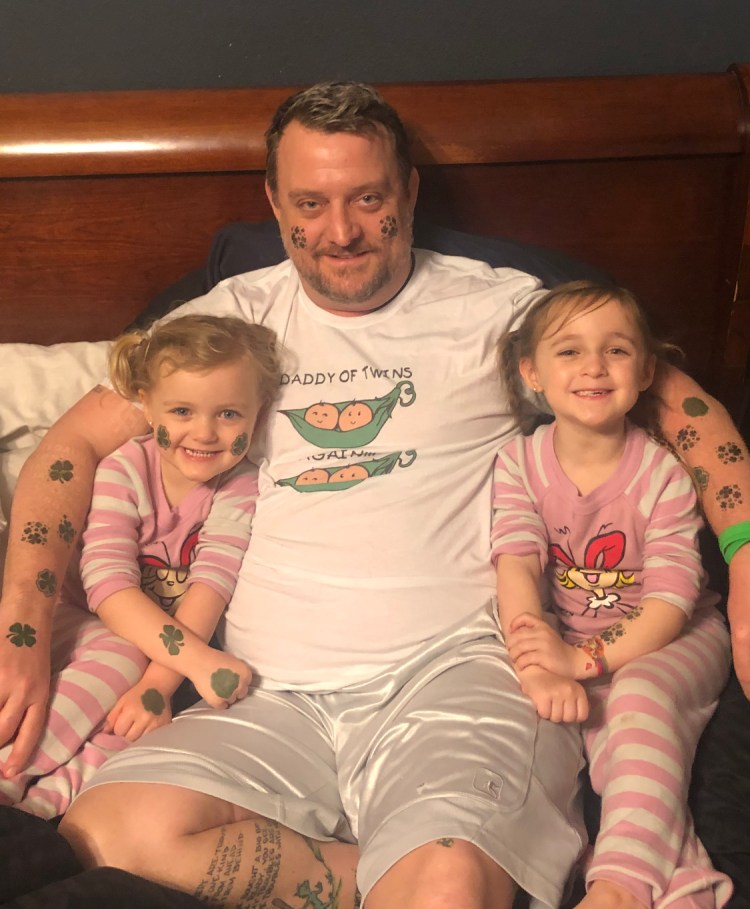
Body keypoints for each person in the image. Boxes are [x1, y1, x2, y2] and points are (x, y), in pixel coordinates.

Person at [0, 81, 745, 909]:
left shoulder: (500, 309)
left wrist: (746, 568)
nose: (340, 231)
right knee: (110, 831)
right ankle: (375, 873)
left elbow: (685, 411)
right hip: (266, 692)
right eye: (310, 203)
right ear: (274, 204)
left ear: (410, 193)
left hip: (456, 678)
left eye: (368, 199)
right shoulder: (227, 321)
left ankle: (426, 866)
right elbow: (70, 443)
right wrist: (23, 627)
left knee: (447, 888)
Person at [492, 281, 733, 909]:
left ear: (646, 370)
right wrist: (534, 658)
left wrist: (582, 661)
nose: (594, 367)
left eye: (617, 350)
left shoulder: (663, 474)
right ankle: (688, 888)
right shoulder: (517, 464)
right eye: (569, 351)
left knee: (638, 698)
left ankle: (617, 888)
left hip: (677, 635)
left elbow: (671, 602)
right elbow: (516, 563)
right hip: (572, 639)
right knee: (622, 754)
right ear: (532, 372)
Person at [0, 314, 279, 817]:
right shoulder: (123, 467)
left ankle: (39, 808)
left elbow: (213, 583)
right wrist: (192, 664)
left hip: (167, 650)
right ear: (145, 406)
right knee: (123, 654)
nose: (205, 433)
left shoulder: (241, 486)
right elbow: (107, 586)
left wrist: (158, 688)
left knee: (146, 727)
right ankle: (10, 773)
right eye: (182, 411)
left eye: (229, 414)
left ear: (258, 414)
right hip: (79, 619)